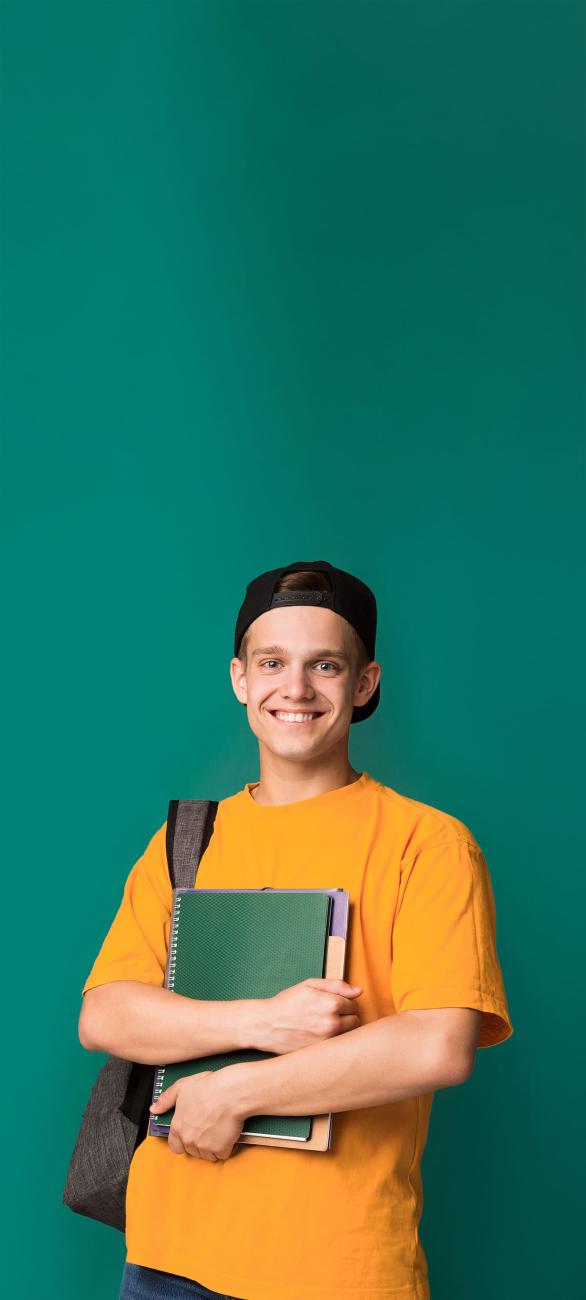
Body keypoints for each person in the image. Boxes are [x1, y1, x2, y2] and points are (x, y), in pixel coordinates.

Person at [78, 558, 514, 1300]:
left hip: (335, 1269)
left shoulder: (428, 843)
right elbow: (107, 1012)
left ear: (365, 684)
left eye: (326, 666)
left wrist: (238, 1092)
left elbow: (438, 1042)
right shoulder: (189, 837)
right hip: (164, 1261)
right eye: (273, 663)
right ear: (240, 679)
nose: (297, 689)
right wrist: (267, 1019)